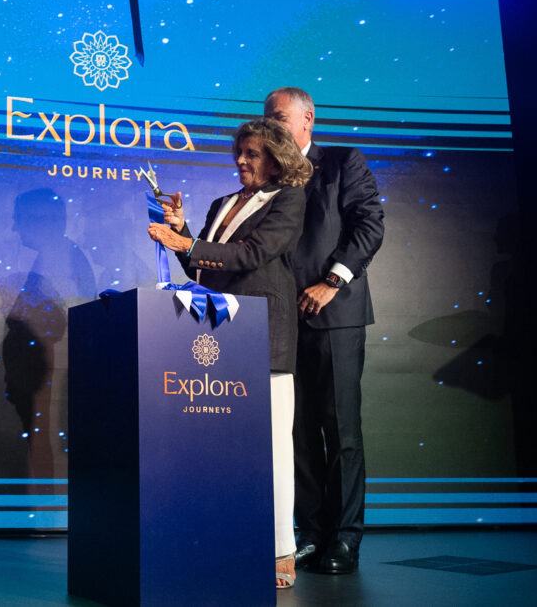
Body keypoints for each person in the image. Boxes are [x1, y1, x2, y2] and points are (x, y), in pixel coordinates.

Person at [148, 117, 311, 589]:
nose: (240, 160)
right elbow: (201, 268)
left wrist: (188, 242)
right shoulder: (222, 204)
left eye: (252, 154)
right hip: (219, 338)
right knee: (220, 445)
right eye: (239, 152)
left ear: (275, 160)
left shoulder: (288, 199)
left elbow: (252, 255)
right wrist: (182, 231)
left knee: (273, 448)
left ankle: (280, 549)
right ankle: (221, 537)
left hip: (265, 336)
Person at [264, 87, 384, 574]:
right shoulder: (269, 176)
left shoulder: (341, 162)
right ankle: (311, 533)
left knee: (341, 431)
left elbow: (369, 225)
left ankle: (346, 538)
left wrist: (332, 282)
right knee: (297, 435)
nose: (269, 126)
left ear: (307, 118)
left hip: (336, 316)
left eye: (277, 117)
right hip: (283, 323)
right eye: (265, 118)